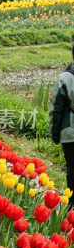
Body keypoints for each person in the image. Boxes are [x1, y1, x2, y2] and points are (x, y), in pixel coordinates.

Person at [50, 44, 74, 204]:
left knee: (72, 172)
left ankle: (71, 210)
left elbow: (56, 110)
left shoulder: (65, 78)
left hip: (70, 133)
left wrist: (55, 135)